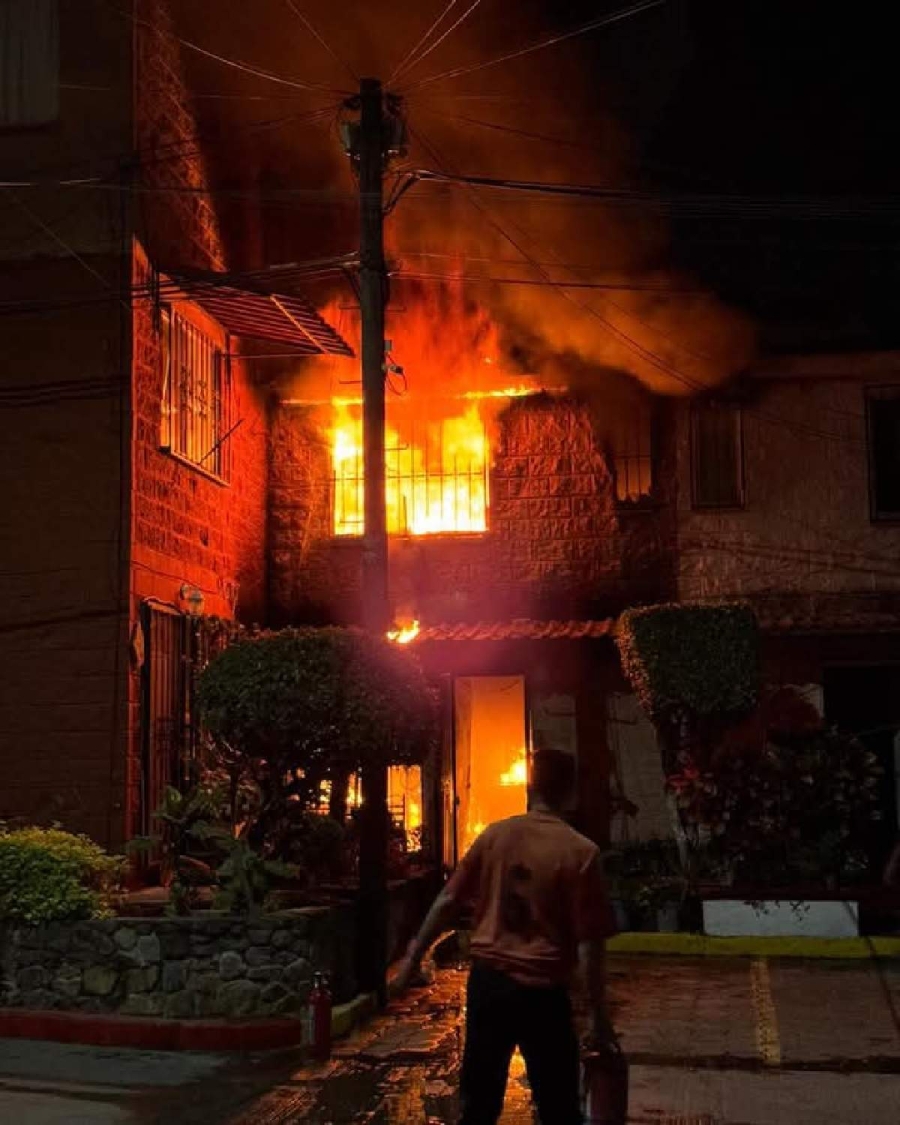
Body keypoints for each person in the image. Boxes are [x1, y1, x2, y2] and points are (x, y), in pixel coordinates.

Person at [395, 747, 617, 1125]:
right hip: (544, 995)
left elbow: (448, 900)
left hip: (489, 987)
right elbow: (588, 944)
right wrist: (598, 1015)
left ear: (532, 788)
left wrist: (412, 957)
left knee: (479, 1108)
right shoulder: (580, 853)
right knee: (559, 1109)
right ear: (570, 791)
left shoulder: (495, 836)